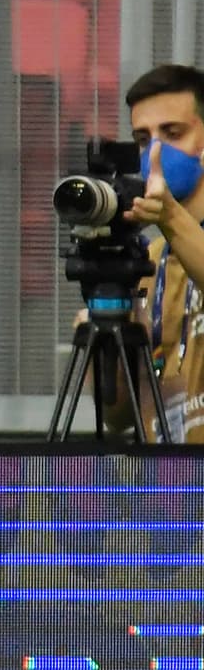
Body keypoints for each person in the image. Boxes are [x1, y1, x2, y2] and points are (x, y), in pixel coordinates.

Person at [103, 65, 204, 443]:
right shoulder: (148, 259)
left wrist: (169, 216)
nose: (156, 152)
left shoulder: (171, 224)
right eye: (144, 139)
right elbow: (117, 417)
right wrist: (106, 339)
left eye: (173, 134)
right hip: (165, 476)